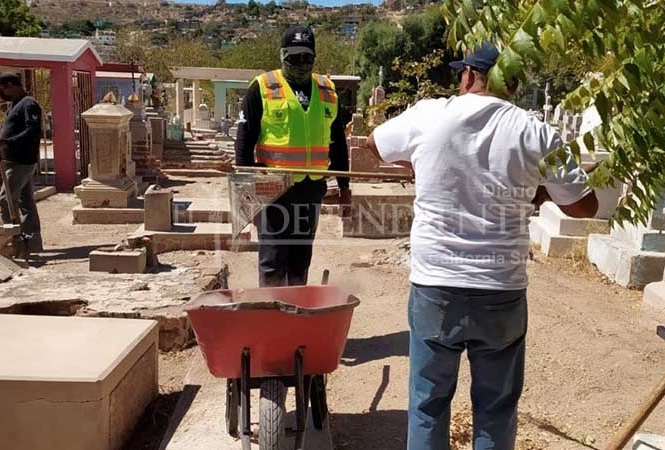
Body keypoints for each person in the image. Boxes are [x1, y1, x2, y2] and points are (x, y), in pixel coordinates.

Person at [366, 42, 599, 450]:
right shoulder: (535, 132)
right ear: (512, 84)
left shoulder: (430, 115)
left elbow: (374, 143)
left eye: (462, 73)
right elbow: (585, 206)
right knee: (495, 410)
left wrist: (420, 164)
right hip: (500, 288)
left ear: (470, 75)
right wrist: (539, 192)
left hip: (436, 286)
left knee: (427, 407)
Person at [235, 26, 351, 287]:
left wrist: (344, 188)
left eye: (307, 58)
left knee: (301, 257)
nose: (301, 63)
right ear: (282, 55)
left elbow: (338, 143)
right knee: (273, 257)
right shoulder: (262, 87)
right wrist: (245, 195)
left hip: (311, 189)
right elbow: (244, 143)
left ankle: (295, 307)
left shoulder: (327, 90)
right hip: (273, 189)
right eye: (294, 57)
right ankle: (272, 308)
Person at [0, 72, 44, 253]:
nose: (0, 94)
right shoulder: (14, 104)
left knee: (5, 201)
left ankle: (15, 238)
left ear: (12, 86)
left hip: (22, 161)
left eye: (2, 89)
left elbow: (32, 131)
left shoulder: (29, 104)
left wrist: (7, 143)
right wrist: (3, 154)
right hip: (12, 160)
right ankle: (32, 242)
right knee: (26, 202)